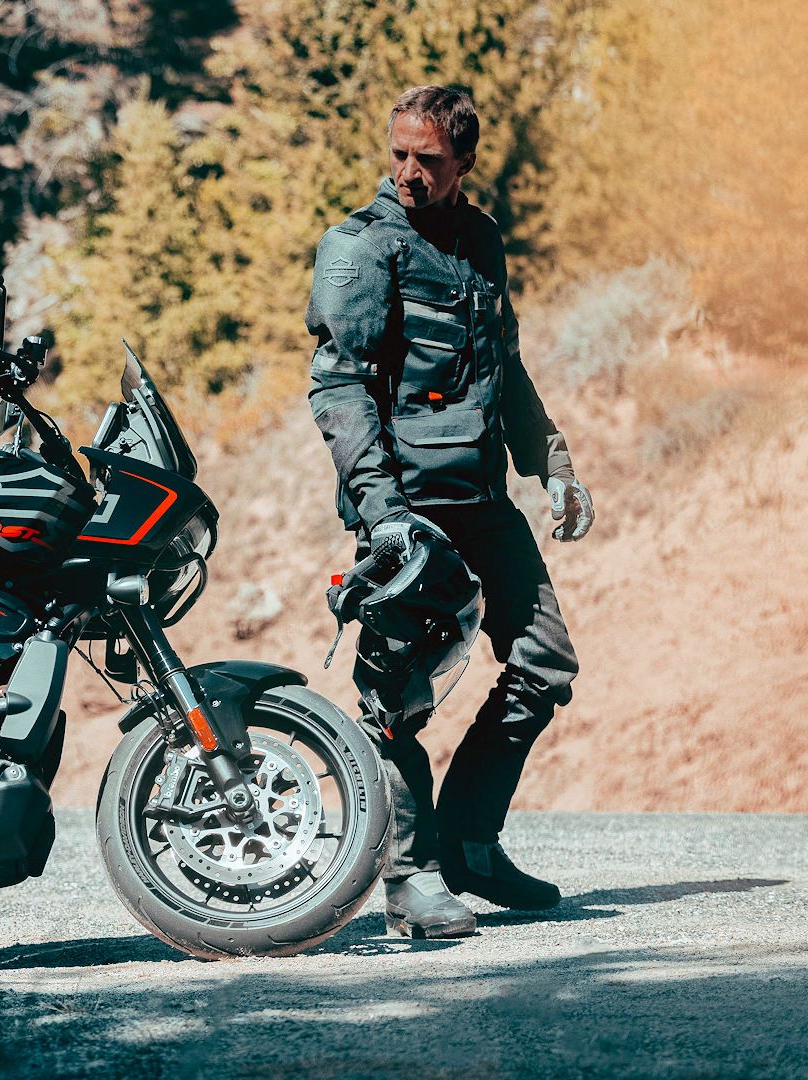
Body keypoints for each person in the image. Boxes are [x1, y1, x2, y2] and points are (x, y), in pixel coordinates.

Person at [305, 85, 594, 938]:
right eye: (397, 153)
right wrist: (383, 513)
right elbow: (339, 386)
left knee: (544, 664)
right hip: (406, 507)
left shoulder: (479, 239)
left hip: (482, 498)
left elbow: (504, 369)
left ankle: (470, 842)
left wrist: (553, 464)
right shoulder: (360, 249)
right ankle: (410, 877)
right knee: (397, 695)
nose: (406, 173)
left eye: (427, 160)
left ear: (464, 161)